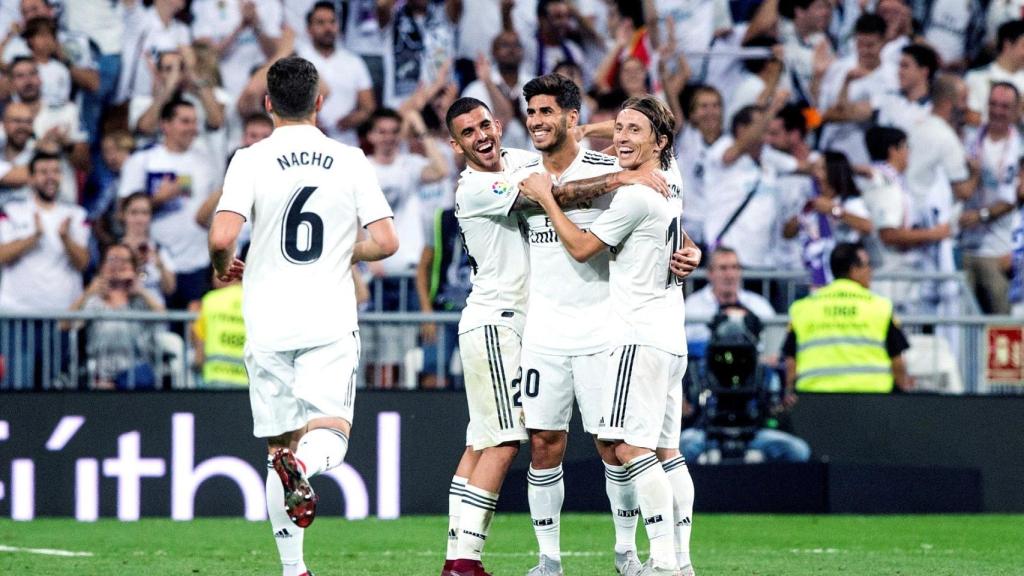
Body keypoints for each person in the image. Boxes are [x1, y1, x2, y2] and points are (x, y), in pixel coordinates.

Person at [441, 96, 665, 576]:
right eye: (468, 133)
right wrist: (624, 176)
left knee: (481, 443)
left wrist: (614, 129)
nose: (480, 136)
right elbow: (554, 194)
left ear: (498, 125)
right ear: (455, 144)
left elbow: (574, 138)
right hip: (496, 322)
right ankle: (465, 561)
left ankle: (456, 554)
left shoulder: (522, 159)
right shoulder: (477, 187)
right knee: (503, 442)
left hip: (524, 323)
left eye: (485, 125)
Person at [208, 56, 399, 576]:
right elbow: (386, 241)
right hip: (328, 317)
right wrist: (344, 250)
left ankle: (294, 569)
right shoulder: (350, 159)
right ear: (319, 101)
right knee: (329, 432)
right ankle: (306, 466)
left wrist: (223, 268)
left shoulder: (249, 160)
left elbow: (223, 237)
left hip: (268, 320)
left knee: (280, 444)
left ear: (268, 104)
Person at [511, 74, 699, 576]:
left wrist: (688, 248)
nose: (536, 122)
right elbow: (541, 195)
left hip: (615, 331)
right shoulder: (524, 170)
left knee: (620, 449)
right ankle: (554, 558)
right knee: (550, 443)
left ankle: (637, 554)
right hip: (554, 331)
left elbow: (587, 235)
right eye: (531, 113)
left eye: (549, 112)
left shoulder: (628, 175)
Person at [0, 151, 89, 389]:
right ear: (30, 177)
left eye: (56, 171)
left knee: (55, 390)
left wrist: (65, 238)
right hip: (18, 316)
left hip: (61, 316)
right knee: (17, 386)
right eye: (43, 172)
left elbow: (83, 262)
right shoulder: (12, 211)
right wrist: (34, 237)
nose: (50, 178)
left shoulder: (75, 214)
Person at [118, 99, 219, 310]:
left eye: (195, 122)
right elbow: (121, 212)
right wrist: (158, 199)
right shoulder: (141, 160)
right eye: (185, 121)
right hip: (151, 263)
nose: (193, 128)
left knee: (192, 335)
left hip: (196, 262)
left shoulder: (205, 163)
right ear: (165, 124)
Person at [681, 305, 811, 464]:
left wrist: (779, 409)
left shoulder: (765, 372)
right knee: (683, 445)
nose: (734, 332)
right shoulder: (697, 370)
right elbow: (689, 413)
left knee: (797, 450)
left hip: (753, 435)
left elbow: (773, 416)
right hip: (708, 434)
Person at [784, 242, 913, 395]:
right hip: (871, 401)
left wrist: (791, 393)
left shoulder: (804, 308)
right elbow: (897, 362)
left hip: (814, 401)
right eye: (867, 265)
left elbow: (791, 362)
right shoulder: (879, 307)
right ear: (854, 270)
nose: (870, 271)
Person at [960, 82, 1020, 314]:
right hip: (965, 245)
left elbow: (1013, 197)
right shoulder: (970, 139)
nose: (997, 111)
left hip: (999, 250)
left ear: (1016, 110)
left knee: (1000, 324)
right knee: (964, 324)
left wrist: (981, 215)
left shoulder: (1019, 148)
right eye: (993, 104)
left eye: (1005, 106)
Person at [69, 243, 164, 390]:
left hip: (136, 377)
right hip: (99, 377)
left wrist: (141, 292)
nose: (117, 265)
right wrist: (88, 292)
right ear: (102, 266)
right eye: (112, 259)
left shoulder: (140, 300)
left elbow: (163, 317)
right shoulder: (94, 300)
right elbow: (65, 324)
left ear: (133, 267)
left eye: (124, 260)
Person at [685, 246, 777, 358]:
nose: (730, 275)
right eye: (723, 268)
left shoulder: (759, 305)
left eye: (735, 267)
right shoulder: (692, 306)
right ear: (710, 273)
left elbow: (774, 352)